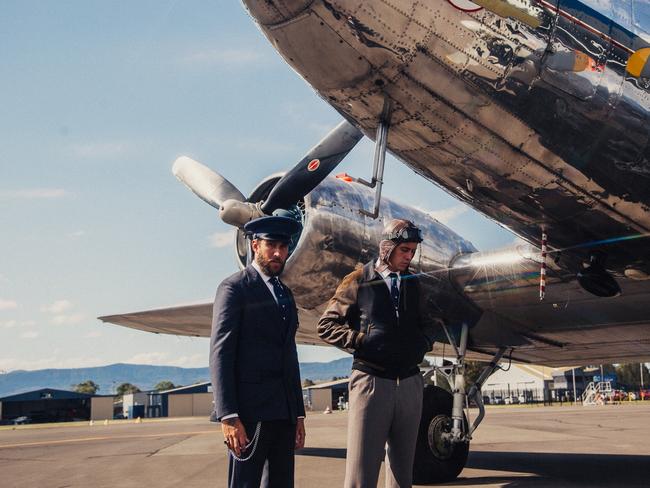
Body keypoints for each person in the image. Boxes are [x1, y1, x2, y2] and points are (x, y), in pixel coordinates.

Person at [317, 219, 436, 488]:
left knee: (403, 477)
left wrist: (422, 343)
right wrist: (360, 339)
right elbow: (326, 326)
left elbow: (429, 323)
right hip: (370, 384)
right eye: (404, 250)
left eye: (413, 251)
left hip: (410, 384)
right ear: (387, 247)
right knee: (361, 476)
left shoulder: (413, 284)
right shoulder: (358, 280)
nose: (409, 256)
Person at [210, 215, 306, 488]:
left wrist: (298, 414)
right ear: (255, 245)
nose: (278, 253)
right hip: (249, 415)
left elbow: (290, 356)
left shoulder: (285, 294)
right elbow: (221, 353)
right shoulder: (235, 288)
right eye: (271, 245)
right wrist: (228, 415)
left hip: (283, 414)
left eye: (284, 246)